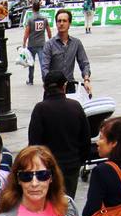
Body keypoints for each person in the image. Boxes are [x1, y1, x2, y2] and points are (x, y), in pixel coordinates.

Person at [26, 72, 90, 201]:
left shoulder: (40, 109)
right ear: (64, 86)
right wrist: (79, 160)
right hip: (71, 165)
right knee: (67, 202)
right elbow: (85, 138)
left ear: (45, 88)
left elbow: (34, 143)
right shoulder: (75, 106)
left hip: (48, 167)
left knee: (50, 203)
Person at [40, 10, 92, 97]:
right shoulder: (49, 44)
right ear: (56, 23)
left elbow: (84, 63)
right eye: (59, 21)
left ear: (69, 24)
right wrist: (48, 83)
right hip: (53, 88)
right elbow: (44, 68)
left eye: (64, 21)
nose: (61, 23)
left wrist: (86, 80)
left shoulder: (76, 43)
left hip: (70, 87)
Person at [22, 0, 50, 85]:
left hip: (32, 44)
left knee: (31, 62)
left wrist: (24, 42)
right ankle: (45, 80)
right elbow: (48, 30)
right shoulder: (44, 18)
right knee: (43, 63)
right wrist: (50, 40)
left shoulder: (30, 19)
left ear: (32, 8)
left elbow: (27, 32)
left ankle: (31, 80)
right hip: (42, 44)